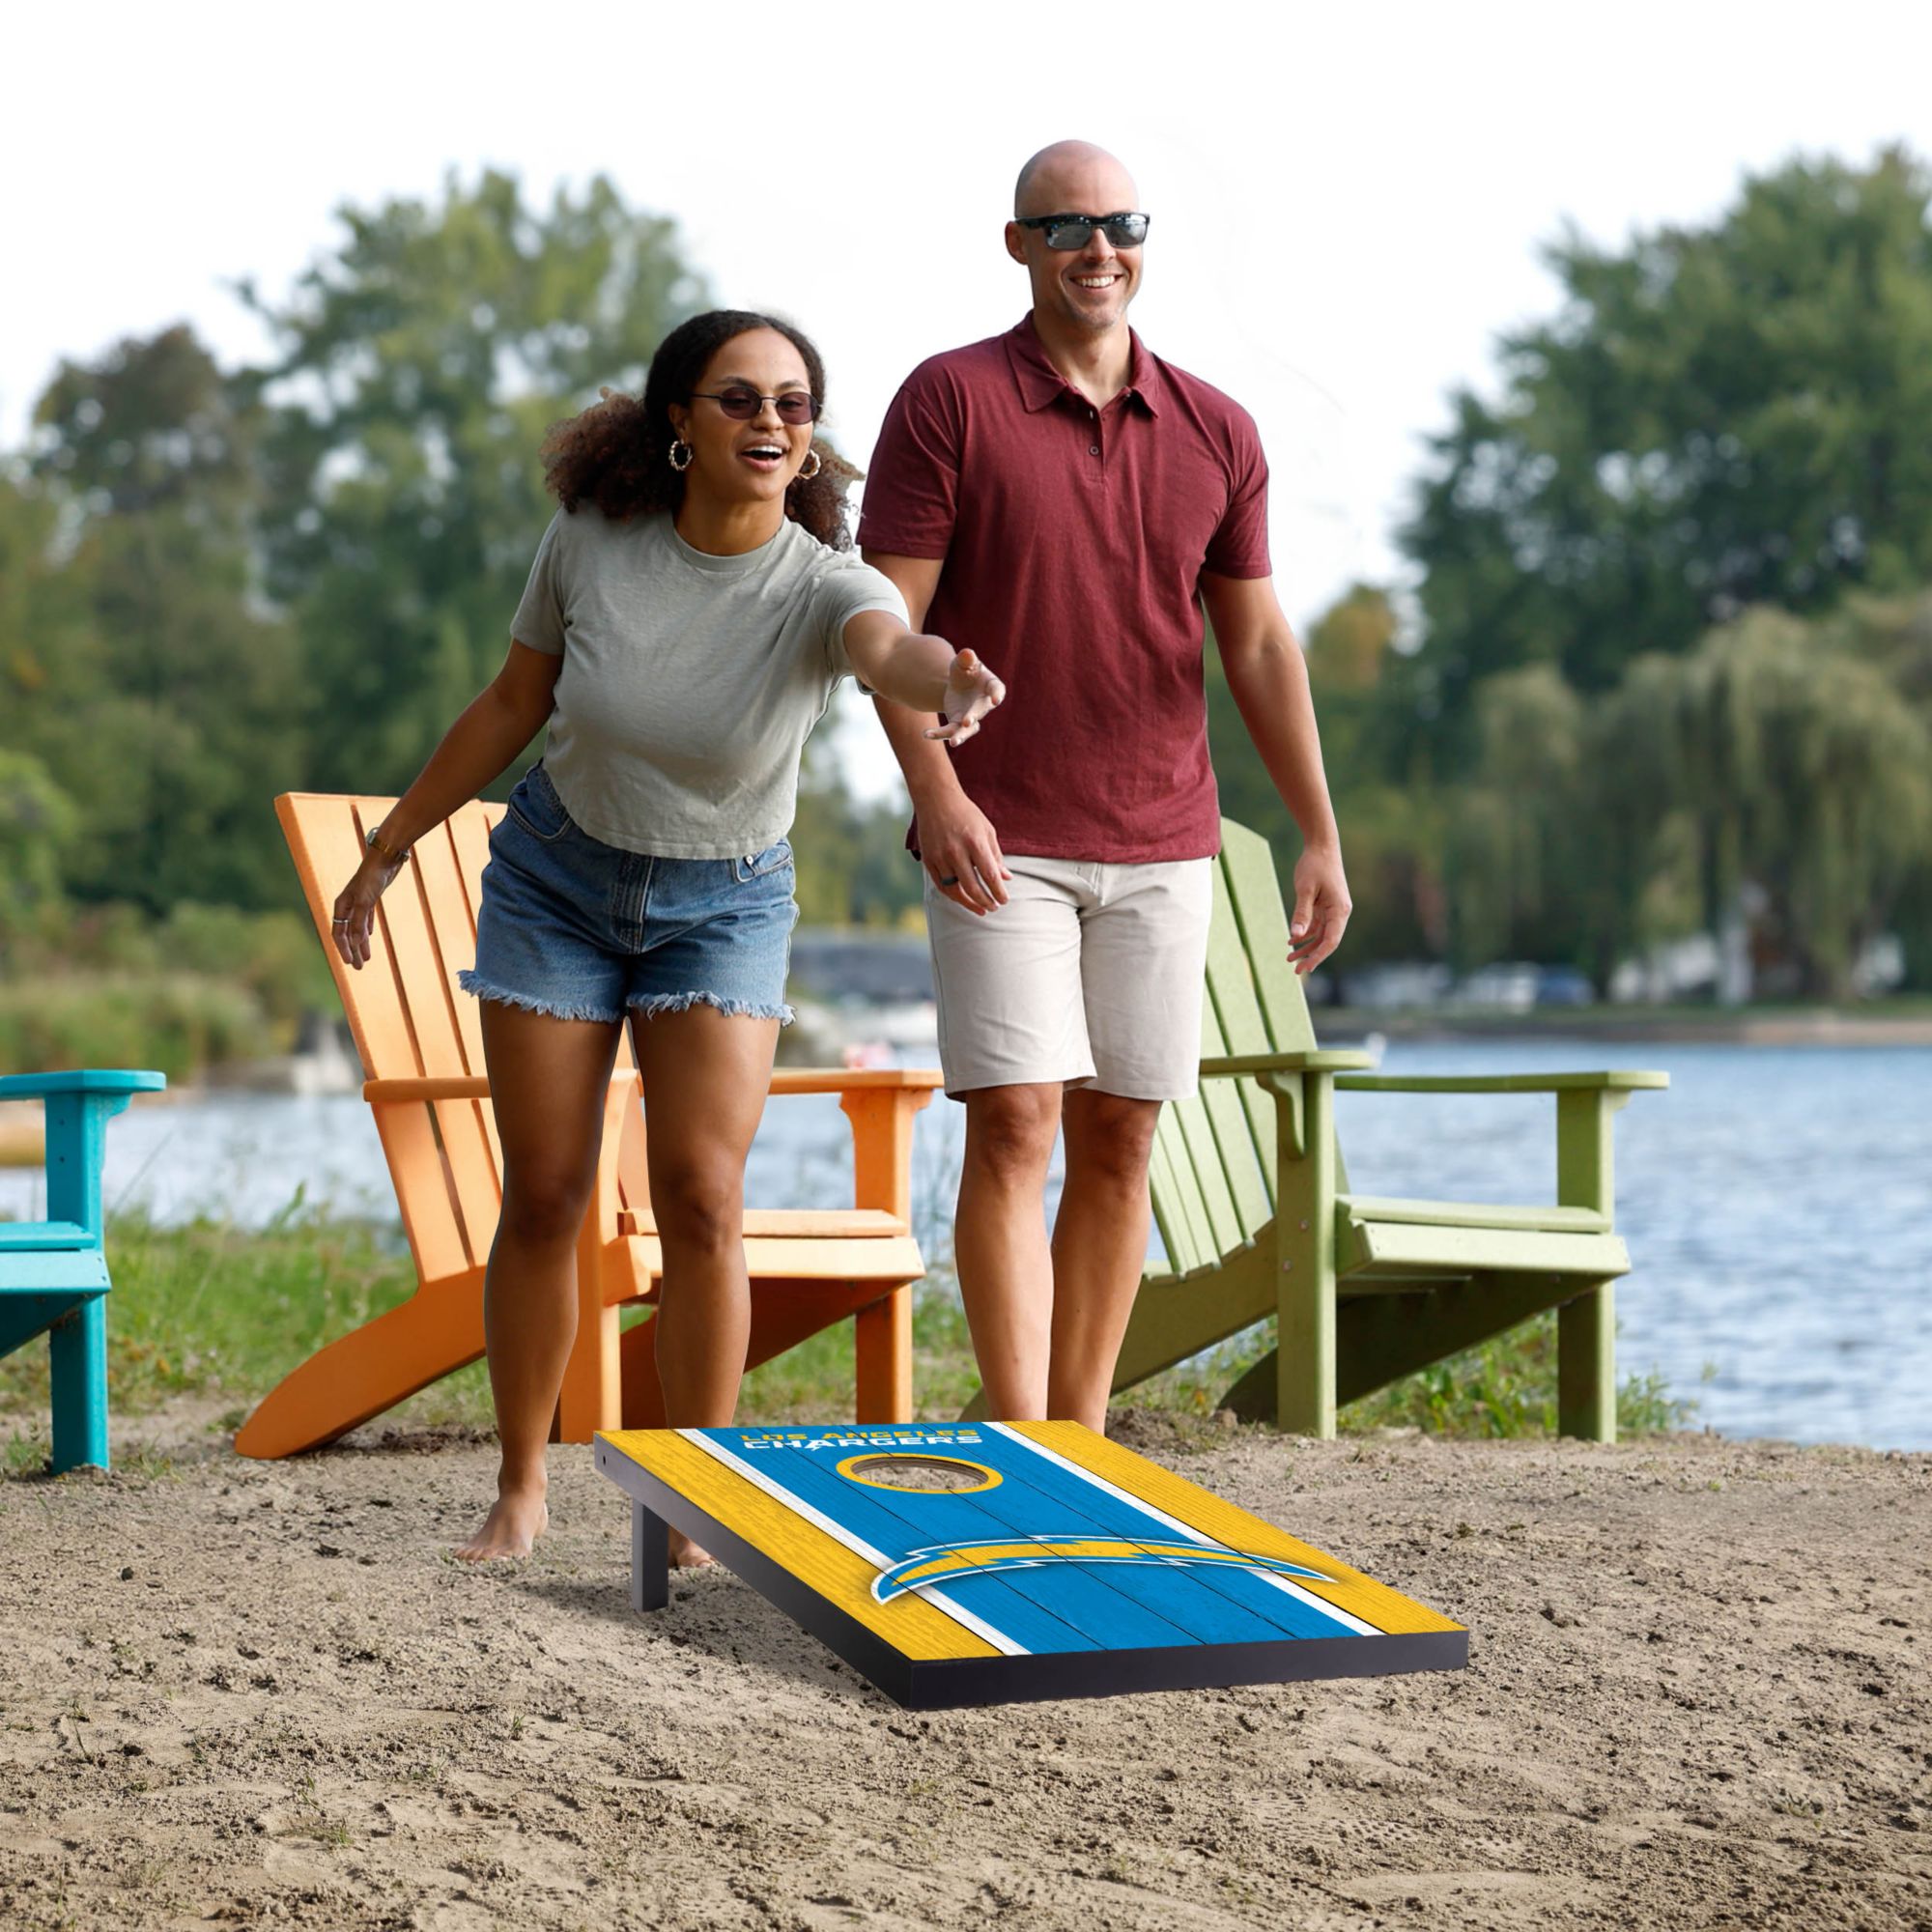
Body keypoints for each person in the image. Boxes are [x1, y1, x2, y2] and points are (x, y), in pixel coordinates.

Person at [328, 309, 1005, 1563]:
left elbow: (888, 651)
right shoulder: (592, 540)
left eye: (792, 403)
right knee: (547, 1192)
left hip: (725, 903)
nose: (769, 421)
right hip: (557, 884)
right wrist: (393, 842)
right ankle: (521, 1486)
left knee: (702, 1197)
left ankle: (698, 1501)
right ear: (681, 422)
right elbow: (513, 702)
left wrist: (948, 682)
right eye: (739, 398)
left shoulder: (825, 583)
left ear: (810, 439)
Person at [857, 141, 1350, 1432]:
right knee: (1017, 1123)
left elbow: (1259, 645)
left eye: (1121, 224)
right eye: (1067, 226)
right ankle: (1021, 1432)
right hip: (999, 835)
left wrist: (1317, 832)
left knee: (1123, 1136)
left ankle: (1076, 1430)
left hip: (1164, 838)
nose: (1098, 248)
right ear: (1017, 244)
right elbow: (881, 627)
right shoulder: (949, 401)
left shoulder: (1216, 429)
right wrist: (936, 794)